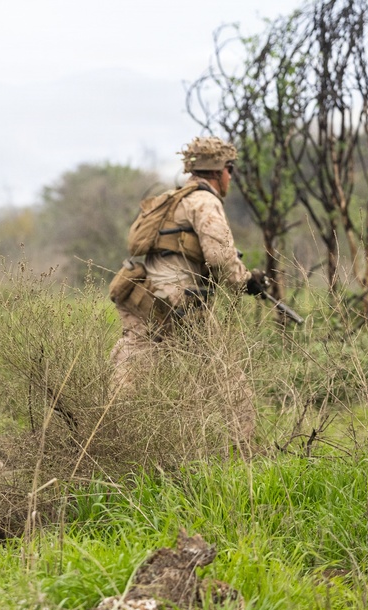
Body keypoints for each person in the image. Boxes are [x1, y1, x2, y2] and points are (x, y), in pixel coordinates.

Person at [108, 136, 268, 446]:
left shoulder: (172, 198)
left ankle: (108, 438)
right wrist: (247, 280)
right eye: (230, 170)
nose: (230, 178)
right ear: (221, 170)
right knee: (228, 379)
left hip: (142, 293)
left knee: (130, 371)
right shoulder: (204, 202)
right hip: (178, 302)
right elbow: (221, 258)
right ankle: (243, 452)